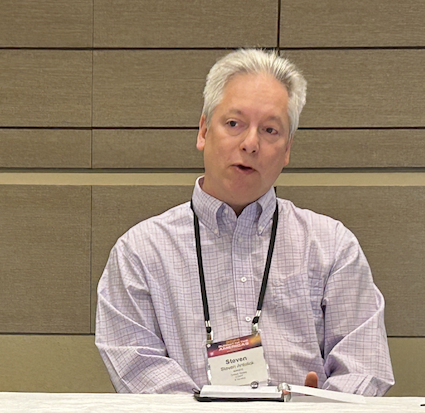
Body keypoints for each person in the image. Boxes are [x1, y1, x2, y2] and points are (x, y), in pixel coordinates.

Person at [95, 49, 394, 395]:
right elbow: (137, 366)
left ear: (287, 150)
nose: (251, 144)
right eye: (234, 124)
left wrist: (319, 408)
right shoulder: (139, 252)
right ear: (204, 131)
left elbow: (364, 365)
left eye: (270, 130)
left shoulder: (333, 246)